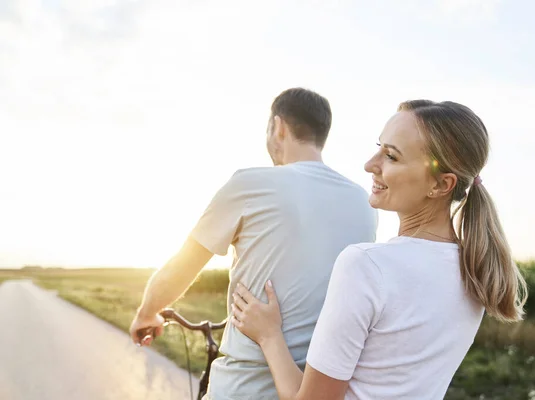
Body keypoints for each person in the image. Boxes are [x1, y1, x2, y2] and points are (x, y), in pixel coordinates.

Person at [230, 99, 529, 400]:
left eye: (391, 156)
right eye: (379, 148)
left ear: (440, 185)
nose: (370, 165)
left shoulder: (366, 265)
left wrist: (268, 335)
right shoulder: (476, 271)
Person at [128, 88, 378, 399]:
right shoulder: (363, 202)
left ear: (278, 127)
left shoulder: (250, 183)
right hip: (317, 387)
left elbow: (181, 267)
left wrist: (147, 312)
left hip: (241, 388)